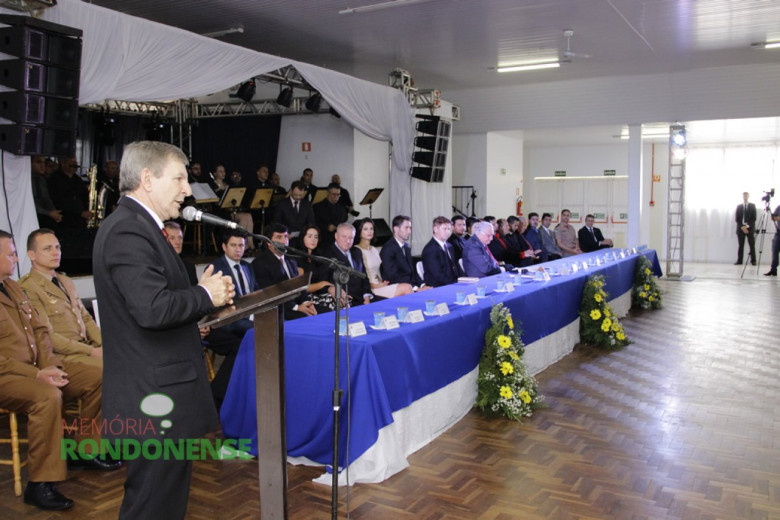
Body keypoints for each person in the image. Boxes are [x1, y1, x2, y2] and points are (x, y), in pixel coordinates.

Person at [93, 141, 234, 519]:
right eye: (179, 178)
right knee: (151, 505)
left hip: (163, 395)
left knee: (164, 503)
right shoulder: (129, 231)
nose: (188, 189)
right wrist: (204, 294)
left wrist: (201, 296)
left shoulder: (142, 227)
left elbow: (159, 300)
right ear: (147, 179)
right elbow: (152, 309)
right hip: (153, 401)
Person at [0, 230, 118, 512]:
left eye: (15, 252)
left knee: (103, 375)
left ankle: (84, 448)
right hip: (9, 374)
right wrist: (37, 374)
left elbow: (40, 331)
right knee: (47, 396)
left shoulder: (12, 287)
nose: (15, 258)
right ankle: (39, 484)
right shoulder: (25, 285)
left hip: (36, 366)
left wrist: (47, 365)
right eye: (9, 254)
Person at [164, 221, 241, 409]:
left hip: (200, 325)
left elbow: (198, 302)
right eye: (171, 238)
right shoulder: (158, 269)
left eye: (180, 238)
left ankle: (218, 395)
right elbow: (168, 308)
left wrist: (202, 323)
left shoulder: (188, 267)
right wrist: (193, 328)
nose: (177, 242)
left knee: (242, 344)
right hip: (177, 330)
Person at [20, 229, 103, 368]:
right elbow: (48, 336)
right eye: (47, 249)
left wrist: (104, 345)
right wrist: (92, 351)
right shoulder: (28, 287)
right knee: (115, 371)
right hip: (64, 356)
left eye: (58, 247)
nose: (55, 252)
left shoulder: (65, 280)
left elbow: (86, 318)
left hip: (87, 348)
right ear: (31, 255)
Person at [251, 223, 317, 319]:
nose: (284, 241)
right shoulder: (260, 263)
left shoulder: (291, 260)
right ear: (268, 242)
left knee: (325, 312)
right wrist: (297, 307)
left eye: (286, 237)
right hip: (280, 309)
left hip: (298, 304)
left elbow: (299, 286)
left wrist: (307, 303)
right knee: (307, 318)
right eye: (279, 237)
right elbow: (270, 294)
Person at [209, 229, 256, 337]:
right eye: (233, 245)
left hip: (252, 314)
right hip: (231, 319)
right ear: (224, 247)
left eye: (241, 245)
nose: (238, 249)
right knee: (258, 329)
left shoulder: (248, 266)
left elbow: (256, 292)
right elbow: (218, 305)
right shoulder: (216, 269)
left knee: (279, 321)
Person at [355, 218, 413, 298]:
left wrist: (382, 283)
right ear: (359, 232)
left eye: (371, 229)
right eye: (365, 229)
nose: (369, 231)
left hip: (379, 285)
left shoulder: (374, 249)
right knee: (407, 288)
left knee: (407, 287)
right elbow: (361, 276)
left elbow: (377, 272)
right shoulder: (357, 250)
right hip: (370, 288)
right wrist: (376, 285)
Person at [323, 222, 373, 306]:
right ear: (336, 236)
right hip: (344, 300)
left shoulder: (357, 252)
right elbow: (323, 280)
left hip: (363, 298)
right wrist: (331, 289)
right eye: (344, 236)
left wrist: (366, 295)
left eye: (351, 237)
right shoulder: (326, 254)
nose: (348, 241)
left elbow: (364, 276)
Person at [294, 225, 338, 312]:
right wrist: (324, 283)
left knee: (343, 300)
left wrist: (332, 288)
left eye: (316, 237)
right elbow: (303, 288)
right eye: (309, 236)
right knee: (333, 305)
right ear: (302, 238)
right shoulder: (297, 259)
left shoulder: (319, 257)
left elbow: (327, 278)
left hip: (320, 294)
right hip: (306, 298)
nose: (313, 239)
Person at [380, 215, 427, 289]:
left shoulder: (406, 246)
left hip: (410, 286)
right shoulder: (388, 249)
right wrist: (415, 288)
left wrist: (423, 285)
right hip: (397, 289)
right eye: (406, 228)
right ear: (396, 229)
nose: (409, 231)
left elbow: (412, 271)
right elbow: (393, 277)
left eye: (410, 228)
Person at [48, 157, 92, 228]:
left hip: (80, 221)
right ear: (63, 164)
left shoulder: (78, 180)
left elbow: (84, 197)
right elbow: (58, 201)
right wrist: (79, 213)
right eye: (71, 163)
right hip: (64, 220)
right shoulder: (55, 179)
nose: (74, 165)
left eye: (76, 163)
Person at [422, 216, 463, 287]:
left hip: (452, 283)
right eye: (444, 229)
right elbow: (438, 275)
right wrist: (455, 283)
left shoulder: (449, 246)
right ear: (435, 229)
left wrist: (464, 279)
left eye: (449, 229)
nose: (447, 232)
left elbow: (456, 266)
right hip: (438, 286)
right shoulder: (430, 249)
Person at [30, 155, 63, 228]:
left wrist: (53, 211)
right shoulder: (25, 179)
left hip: (44, 214)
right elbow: (29, 202)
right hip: (32, 215)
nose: (42, 165)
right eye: (38, 162)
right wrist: (49, 213)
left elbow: (46, 198)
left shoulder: (41, 179)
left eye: (44, 162)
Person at [314, 182, 348, 247]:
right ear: (327, 193)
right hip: (323, 242)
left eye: (338, 195)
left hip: (339, 242)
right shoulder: (317, 207)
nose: (336, 197)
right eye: (334, 194)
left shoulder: (342, 208)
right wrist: (326, 227)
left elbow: (344, 220)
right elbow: (313, 224)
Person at [735, 192, 757, 265]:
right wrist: (742, 227)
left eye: (746, 195)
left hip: (750, 229)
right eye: (744, 195)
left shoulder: (752, 206)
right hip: (740, 229)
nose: (745, 197)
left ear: (748, 196)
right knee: (741, 245)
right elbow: (737, 219)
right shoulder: (739, 206)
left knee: (752, 245)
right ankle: (739, 260)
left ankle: (753, 260)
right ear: (742, 197)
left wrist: (747, 226)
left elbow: (754, 218)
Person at [764, 203, 780, 276]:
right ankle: (773, 270)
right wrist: (777, 218)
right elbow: (772, 217)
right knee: (774, 250)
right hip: (778, 233)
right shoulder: (779, 207)